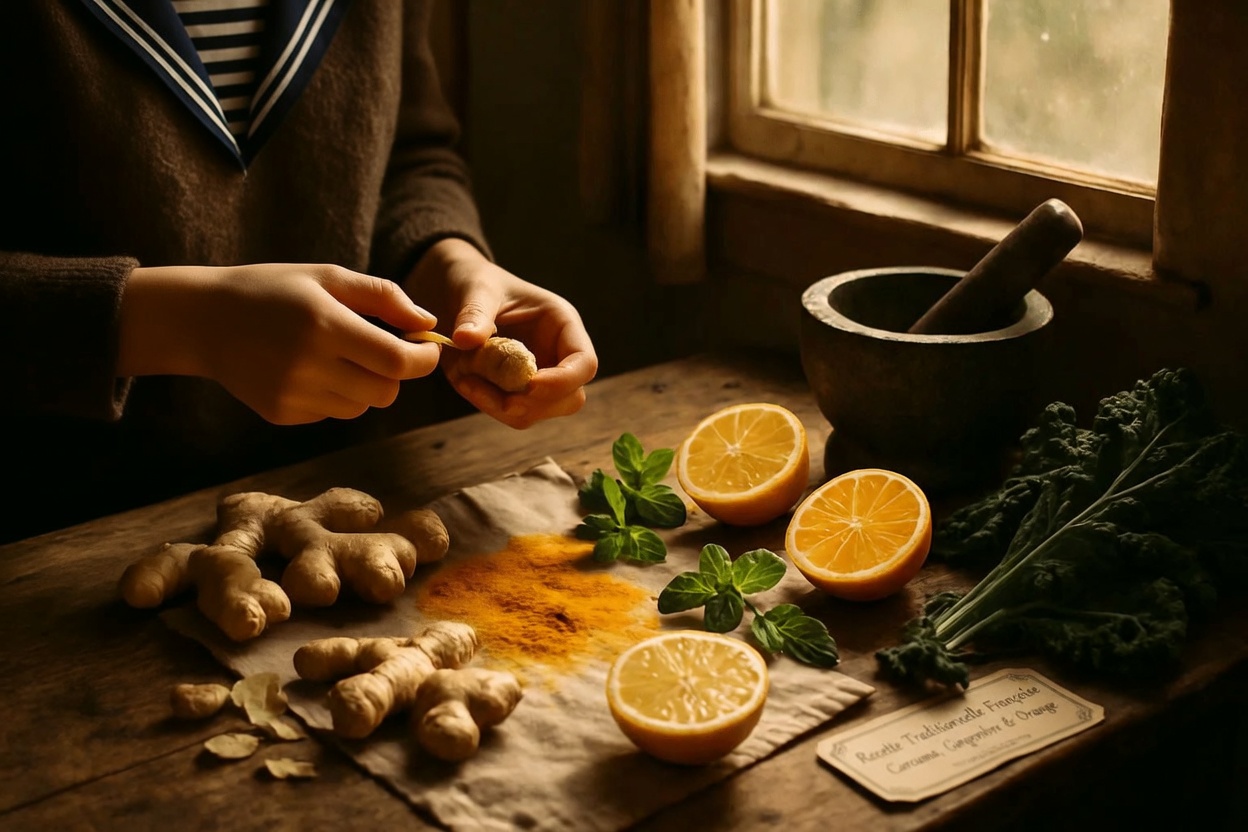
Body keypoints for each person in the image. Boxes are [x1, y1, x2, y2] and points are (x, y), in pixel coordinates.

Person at [0, 1, 598, 544]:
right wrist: (185, 324)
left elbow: (409, 156)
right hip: (55, 538)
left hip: (349, 501)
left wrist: (446, 263)